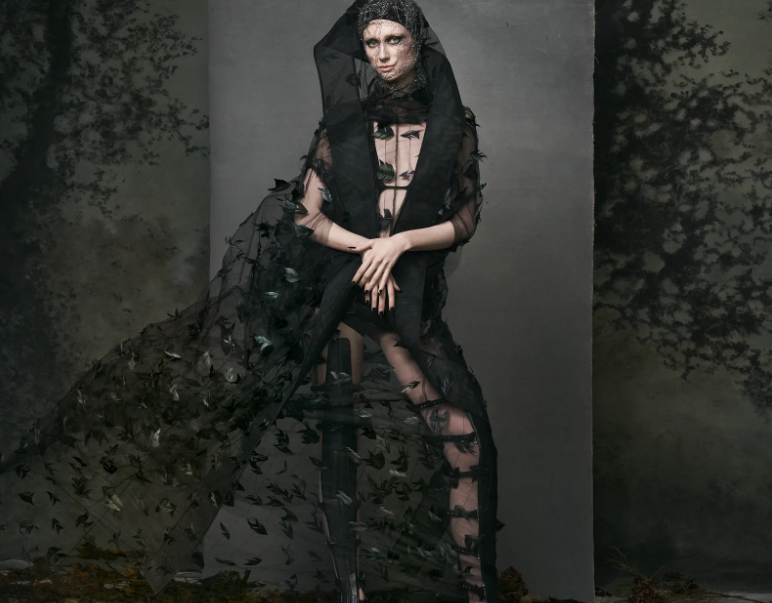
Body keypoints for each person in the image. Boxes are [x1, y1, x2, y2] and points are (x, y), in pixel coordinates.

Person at [0, 1, 502, 602]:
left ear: (418, 42)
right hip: (340, 296)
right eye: (371, 43)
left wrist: (398, 245)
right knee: (339, 439)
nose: (383, 54)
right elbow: (306, 216)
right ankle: (352, 594)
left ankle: (478, 592)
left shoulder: (452, 125)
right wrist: (370, 247)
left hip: (406, 297)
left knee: (462, 434)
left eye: (394, 39)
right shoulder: (344, 125)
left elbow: (464, 221)